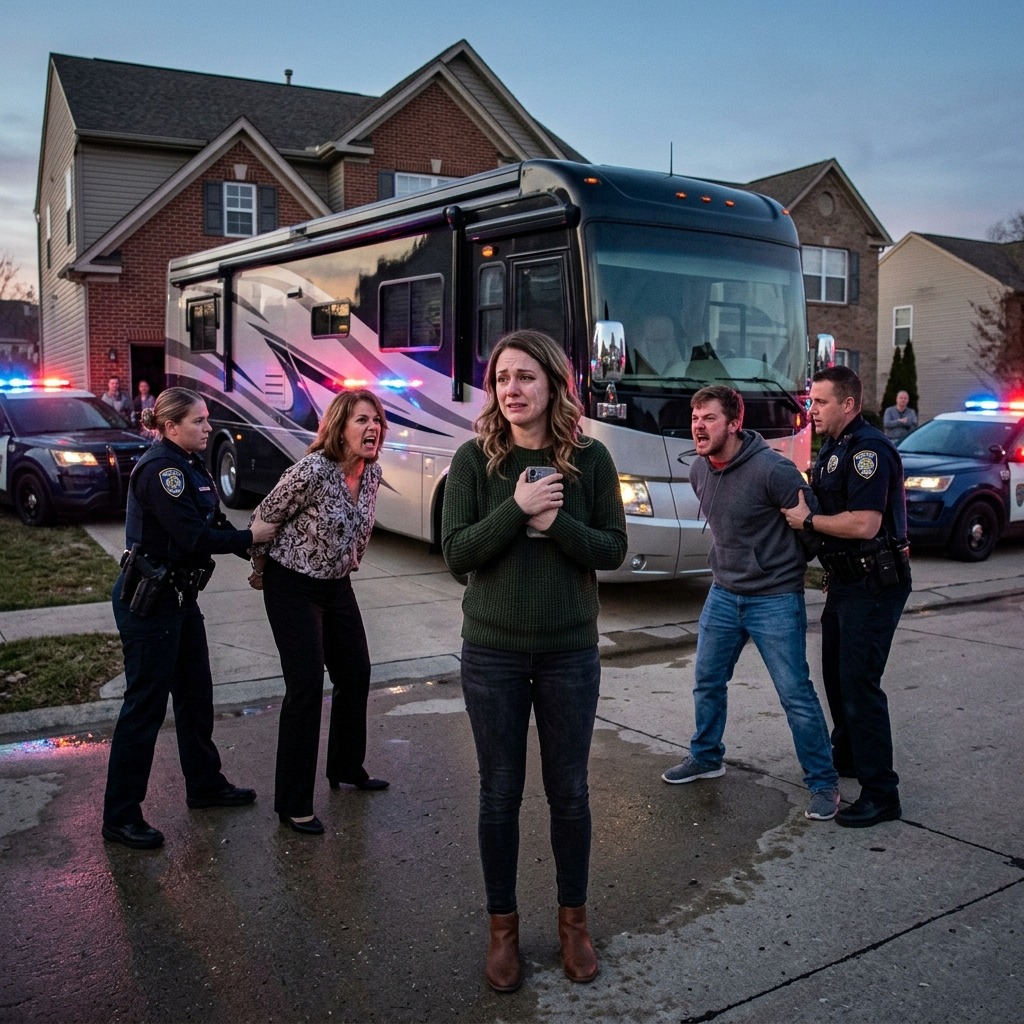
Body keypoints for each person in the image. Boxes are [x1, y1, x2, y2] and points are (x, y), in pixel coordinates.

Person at [442, 329, 627, 992]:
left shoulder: (591, 461)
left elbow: (611, 549)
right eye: (501, 378)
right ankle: (504, 932)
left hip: (568, 654)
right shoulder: (473, 461)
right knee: (499, 793)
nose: (511, 390)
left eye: (524, 376)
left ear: (553, 383)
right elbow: (457, 554)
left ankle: (574, 925)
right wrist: (517, 510)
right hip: (491, 653)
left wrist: (557, 525)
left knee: (569, 792)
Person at [102, 388, 278, 850]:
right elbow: (193, 537)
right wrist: (250, 536)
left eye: (206, 419)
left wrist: (254, 550)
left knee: (196, 697)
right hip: (150, 604)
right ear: (170, 426)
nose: (207, 427)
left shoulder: (190, 465)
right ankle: (120, 816)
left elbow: (215, 525)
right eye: (198, 421)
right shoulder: (162, 471)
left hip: (179, 600)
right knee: (144, 709)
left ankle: (204, 785)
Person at [660, 386, 840, 821]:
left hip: (774, 597)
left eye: (709, 418)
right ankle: (706, 756)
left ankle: (823, 782)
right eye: (695, 418)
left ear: (735, 423)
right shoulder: (699, 470)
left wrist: (780, 568)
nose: (698, 426)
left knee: (795, 693)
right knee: (707, 680)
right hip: (723, 593)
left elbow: (811, 531)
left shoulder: (774, 470)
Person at [247, 389, 390, 837]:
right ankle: (294, 804)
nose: (372, 428)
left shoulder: (371, 473)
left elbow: (358, 529)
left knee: (356, 672)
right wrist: (260, 568)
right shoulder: (311, 470)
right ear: (339, 428)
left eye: (377, 420)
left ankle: (346, 766)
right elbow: (263, 518)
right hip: (292, 585)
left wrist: (348, 561)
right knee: (306, 686)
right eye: (362, 420)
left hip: (336, 585)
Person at [783, 366, 912, 828]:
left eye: (820, 402)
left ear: (849, 404)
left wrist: (808, 522)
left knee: (860, 684)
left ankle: (882, 793)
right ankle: (852, 756)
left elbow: (865, 523)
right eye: (811, 401)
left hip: (873, 585)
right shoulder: (834, 446)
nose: (812, 410)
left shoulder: (867, 451)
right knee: (837, 678)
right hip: (845, 583)